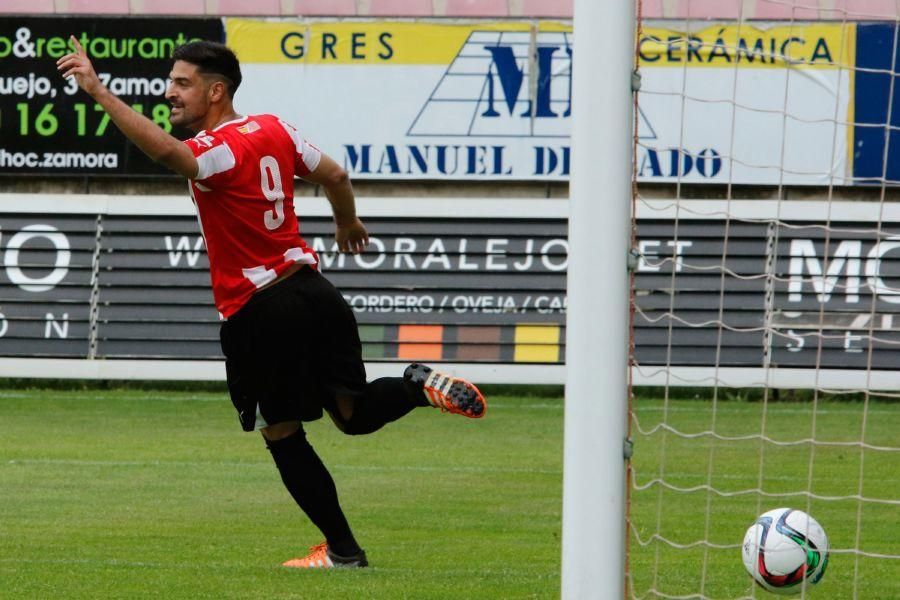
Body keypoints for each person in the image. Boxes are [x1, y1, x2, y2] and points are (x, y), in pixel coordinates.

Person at [57, 38, 486, 569]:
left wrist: (98, 90)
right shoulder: (274, 130)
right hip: (316, 293)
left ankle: (344, 552)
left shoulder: (217, 147)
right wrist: (347, 221)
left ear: (216, 91)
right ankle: (416, 387)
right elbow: (335, 175)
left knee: (282, 431)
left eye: (182, 83)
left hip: (260, 310)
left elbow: (171, 153)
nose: (170, 92)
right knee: (351, 414)